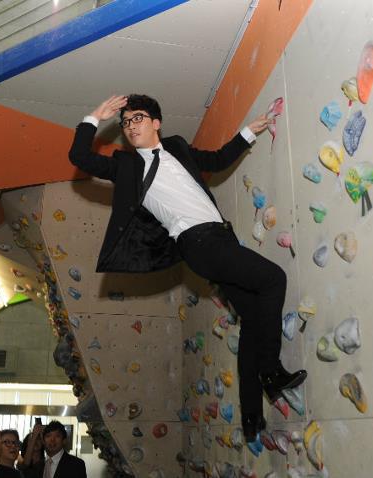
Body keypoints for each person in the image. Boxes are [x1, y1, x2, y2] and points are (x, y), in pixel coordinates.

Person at [68, 94, 307, 441]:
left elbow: (217, 159)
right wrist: (95, 115)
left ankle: (251, 415)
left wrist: (249, 132)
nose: (130, 126)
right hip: (198, 243)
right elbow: (80, 157)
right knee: (273, 279)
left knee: (254, 317)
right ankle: (271, 372)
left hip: (222, 238)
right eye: (126, 122)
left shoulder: (178, 147)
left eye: (137, 118)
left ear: (156, 123)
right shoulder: (127, 166)